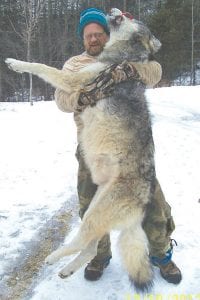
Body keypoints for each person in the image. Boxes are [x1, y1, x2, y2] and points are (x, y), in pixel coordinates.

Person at [55, 8, 182, 284]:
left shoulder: (124, 51)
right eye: (89, 35)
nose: (94, 38)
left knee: (152, 202)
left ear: (106, 34)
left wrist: (130, 70)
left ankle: (161, 253)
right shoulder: (75, 64)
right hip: (95, 149)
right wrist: (87, 94)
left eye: (99, 33)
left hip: (131, 147)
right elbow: (61, 100)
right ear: (83, 38)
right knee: (91, 205)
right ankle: (99, 256)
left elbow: (155, 71)